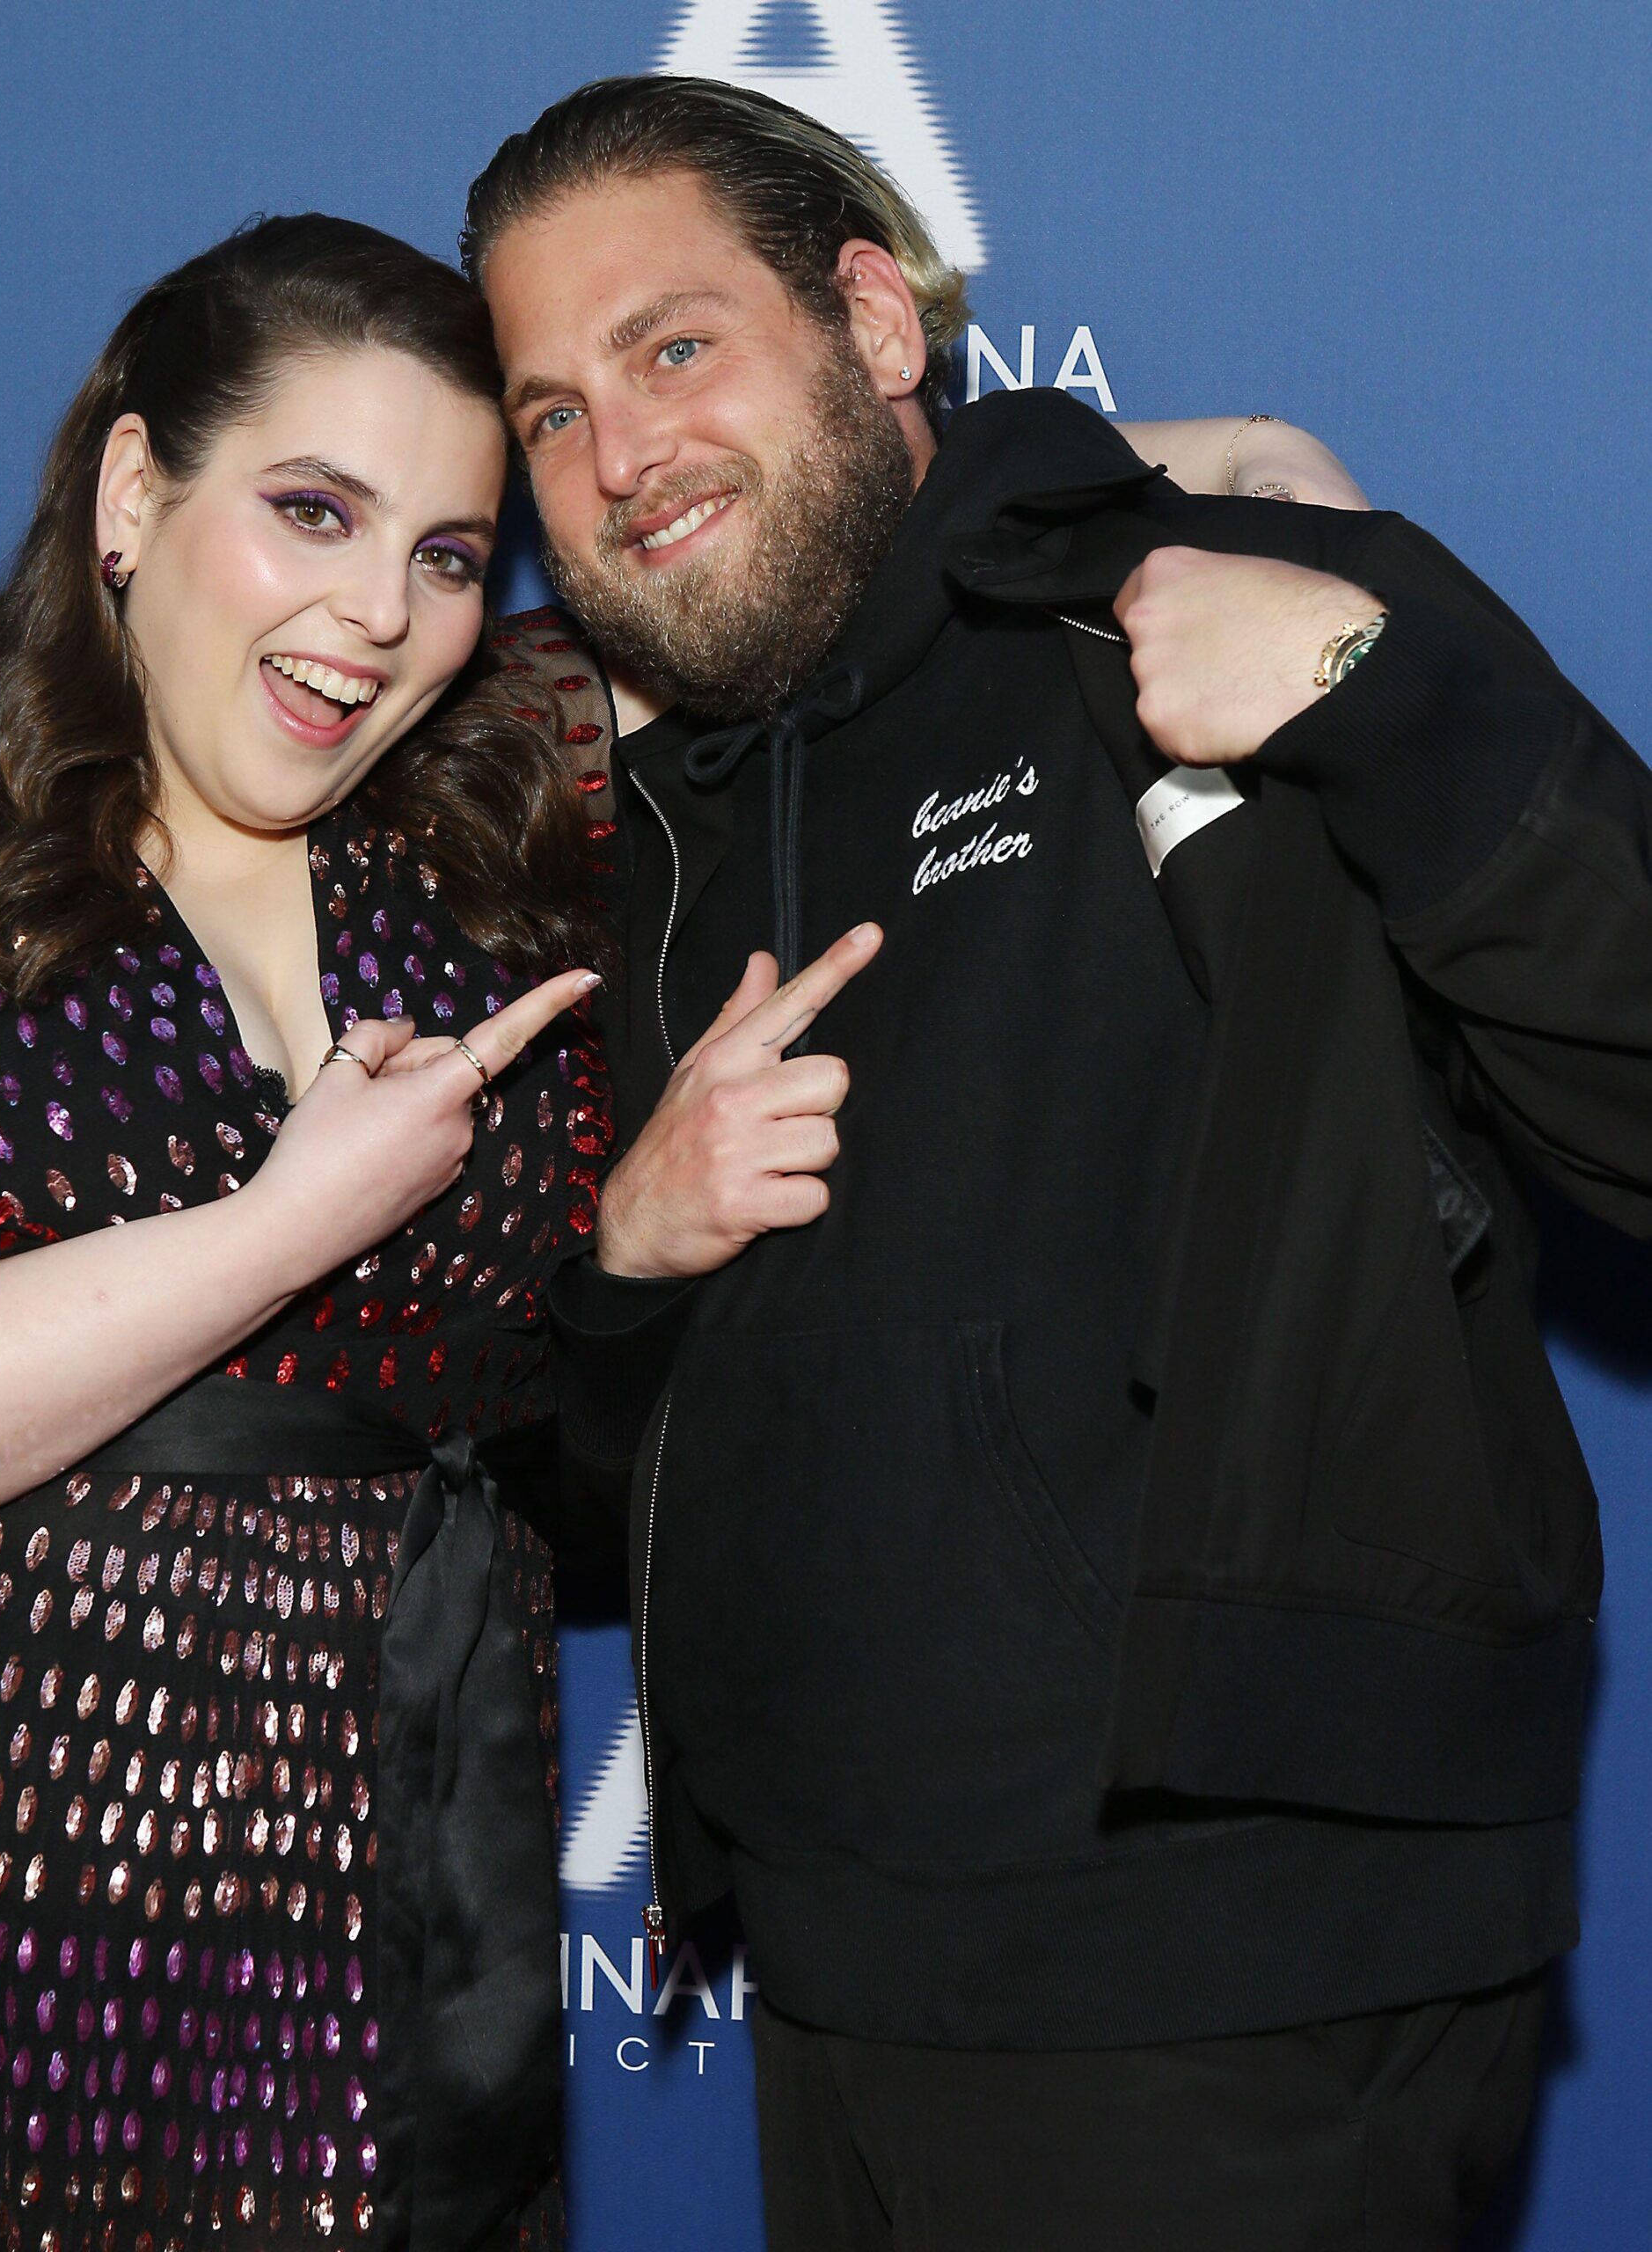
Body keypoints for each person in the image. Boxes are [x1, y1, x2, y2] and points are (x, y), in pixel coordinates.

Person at [462, 76, 1652, 2252]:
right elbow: (625, 1507)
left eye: (670, 346)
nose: (615, 454)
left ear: (875, 323)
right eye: (547, 410)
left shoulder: (1227, 599)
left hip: (1241, 1957)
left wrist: (1371, 682)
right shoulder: (661, 831)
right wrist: (626, 1264)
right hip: (843, 1971)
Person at [0, 214, 609, 2249]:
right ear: (128, 491)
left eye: (446, 552)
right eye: (309, 510)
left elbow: (801, 537)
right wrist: (280, 1225)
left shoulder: (493, 853)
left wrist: (1205, 475)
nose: (378, 613)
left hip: (353, 1973)